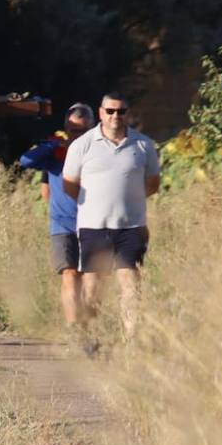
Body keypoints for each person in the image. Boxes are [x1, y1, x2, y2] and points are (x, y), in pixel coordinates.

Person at [61, 92, 160, 338]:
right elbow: (69, 184)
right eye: (110, 111)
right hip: (94, 226)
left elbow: (153, 183)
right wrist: (96, 203)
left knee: (130, 283)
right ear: (101, 112)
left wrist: (129, 203)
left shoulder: (143, 145)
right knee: (93, 287)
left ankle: (132, 341)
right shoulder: (82, 144)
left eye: (121, 111)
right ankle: (92, 338)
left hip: (131, 226)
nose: (115, 116)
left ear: (128, 113)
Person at [21, 103, 94, 329]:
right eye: (74, 130)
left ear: (92, 128)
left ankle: (89, 327)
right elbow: (25, 160)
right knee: (70, 274)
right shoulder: (55, 154)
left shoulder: (98, 152)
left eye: (83, 131)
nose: (78, 136)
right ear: (65, 128)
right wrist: (54, 143)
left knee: (91, 279)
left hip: (94, 223)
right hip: (63, 225)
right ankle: (74, 329)